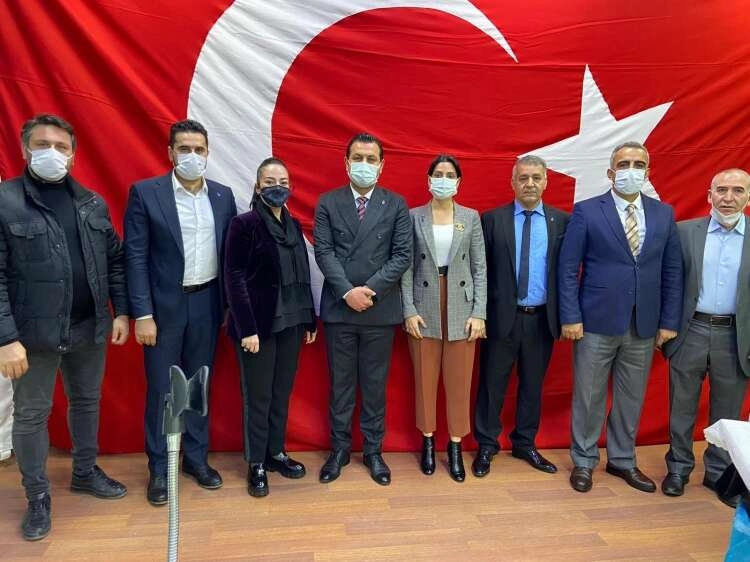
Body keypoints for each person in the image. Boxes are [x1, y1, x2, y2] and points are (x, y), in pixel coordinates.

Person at [0, 114, 129, 540]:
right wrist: (5, 339)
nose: (52, 153)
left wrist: (122, 311)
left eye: (61, 146)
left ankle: (85, 472)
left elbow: (115, 259)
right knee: (32, 414)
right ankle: (37, 496)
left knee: (87, 401)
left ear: (73, 155)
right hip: (31, 336)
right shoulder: (5, 201)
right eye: (42, 145)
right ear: (25, 149)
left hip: (88, 327)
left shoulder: (92, 203)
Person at [558, 141, 683, 493]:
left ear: (648, 171)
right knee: (589, 395)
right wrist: (571, 316)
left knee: (631, 396)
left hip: (643, 323)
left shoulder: (663, 214)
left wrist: (669, 321)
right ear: (611, 172)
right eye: (624, 164)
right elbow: (568, 268)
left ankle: (622, 460)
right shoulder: (587, 211)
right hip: (595, 321)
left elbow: (673, 271)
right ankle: (584, 461)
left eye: (638, 164)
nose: (632, 170)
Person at [124, 119, 237, 505]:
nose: (192, 156)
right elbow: (135, 256)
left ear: (208, 153)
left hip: (207, 303)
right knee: (162, 389)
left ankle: (196, 459)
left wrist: (229, 306)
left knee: (198, 385)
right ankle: (159, 467)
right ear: (171, 152)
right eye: (184, 149)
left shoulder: (222, 196)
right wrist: (142, 314)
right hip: (162, 309)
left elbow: (229, 255)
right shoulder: (146, 193)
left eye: (199, 150)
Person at [314, 132, 411, 486]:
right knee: (340, 384)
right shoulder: (328, 202)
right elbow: (323, 251)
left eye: (371, 159)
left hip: (378, 309)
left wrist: (369, 291)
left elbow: (402, 255)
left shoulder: (395, 204)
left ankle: (373, 450)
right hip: (340, 308)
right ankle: (339, 449)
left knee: (374, 385)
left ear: (382, 165)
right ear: (346, 162)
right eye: (358, 158)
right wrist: (347, 292)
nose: (364, 165)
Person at [224, 157, 317, 497]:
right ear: (258, 186)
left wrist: (309, 318)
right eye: (270, 181)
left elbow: (303, 272)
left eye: (283, 181)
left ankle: (276, 453)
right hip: (258, 326)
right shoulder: (244, 224)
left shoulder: (293, 223)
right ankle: (256, 463)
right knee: (258, 396)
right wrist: (246, 328)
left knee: (281, 393)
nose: (277, 187)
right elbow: (233, 278)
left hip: (292, 322)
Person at [473, 155, 569, 477]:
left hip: (542, 319)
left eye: (536, 178)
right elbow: (480, 271)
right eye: (523, 178)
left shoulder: (562, 221)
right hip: (501, 317)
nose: (530, 183)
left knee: (532, 385)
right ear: (512, 182)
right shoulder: (492, 220)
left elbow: (568, 272)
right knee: (492, 384)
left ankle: (525, 442)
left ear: (546, 182)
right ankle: (487, 444)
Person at [661, 169, 750, 505]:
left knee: (727, 411)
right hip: (691, 330)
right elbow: (669, 283)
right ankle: (678, 468)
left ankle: (717, 472)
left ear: (748, 197)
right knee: (681, 405)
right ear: (708, 195)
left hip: (736, 335)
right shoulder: (685, 232)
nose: (728, 197)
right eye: (721, 190)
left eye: (738, 190)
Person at [401, 154, 486, 482]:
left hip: (461, 305)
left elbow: (479, 267)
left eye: (450, 175)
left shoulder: (471, 217)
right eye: (438, 174)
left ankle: (454, 446)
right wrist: (409, 310)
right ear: (428, 180)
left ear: (458, 182)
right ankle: (427, 441)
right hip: (424, 304)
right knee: (425, 378)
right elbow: (406, 267)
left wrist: (479, 312)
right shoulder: (413, 217)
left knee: (459, 380)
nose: (444, 179)